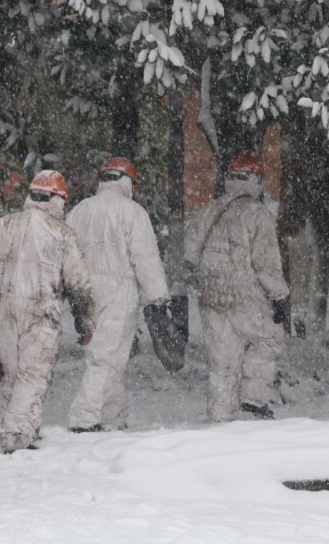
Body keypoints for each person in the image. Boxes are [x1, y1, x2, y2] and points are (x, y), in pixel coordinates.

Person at [0, 170, 95, 453]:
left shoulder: (2, 226)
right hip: (42, 311)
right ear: (56, 200)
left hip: (4, 308)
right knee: (33, 373)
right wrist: (86, 324)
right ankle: (17, 434)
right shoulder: (63, 234)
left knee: (14, 372)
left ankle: (22, 426)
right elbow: (79, 285)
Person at [66, 157, 171, 433]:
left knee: (103, 356)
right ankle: (84, 418)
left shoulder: (81, 210)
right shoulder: (132, 212)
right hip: (117, 291)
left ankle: (112, 418)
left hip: (84, 290)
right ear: (129, 183)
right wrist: (158, 297)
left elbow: (64, 251)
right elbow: (145, 258)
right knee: (107, 359)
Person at [185, 151, 289, 422]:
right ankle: (253, 402)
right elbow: (266, 264)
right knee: (268, 339)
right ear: (255, 180)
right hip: (245, 292)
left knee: (222, 358)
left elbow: (189, 253)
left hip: (210, 293)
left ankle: (220, 417)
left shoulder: (211, 209)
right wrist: (279, 295)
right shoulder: (257, 214)